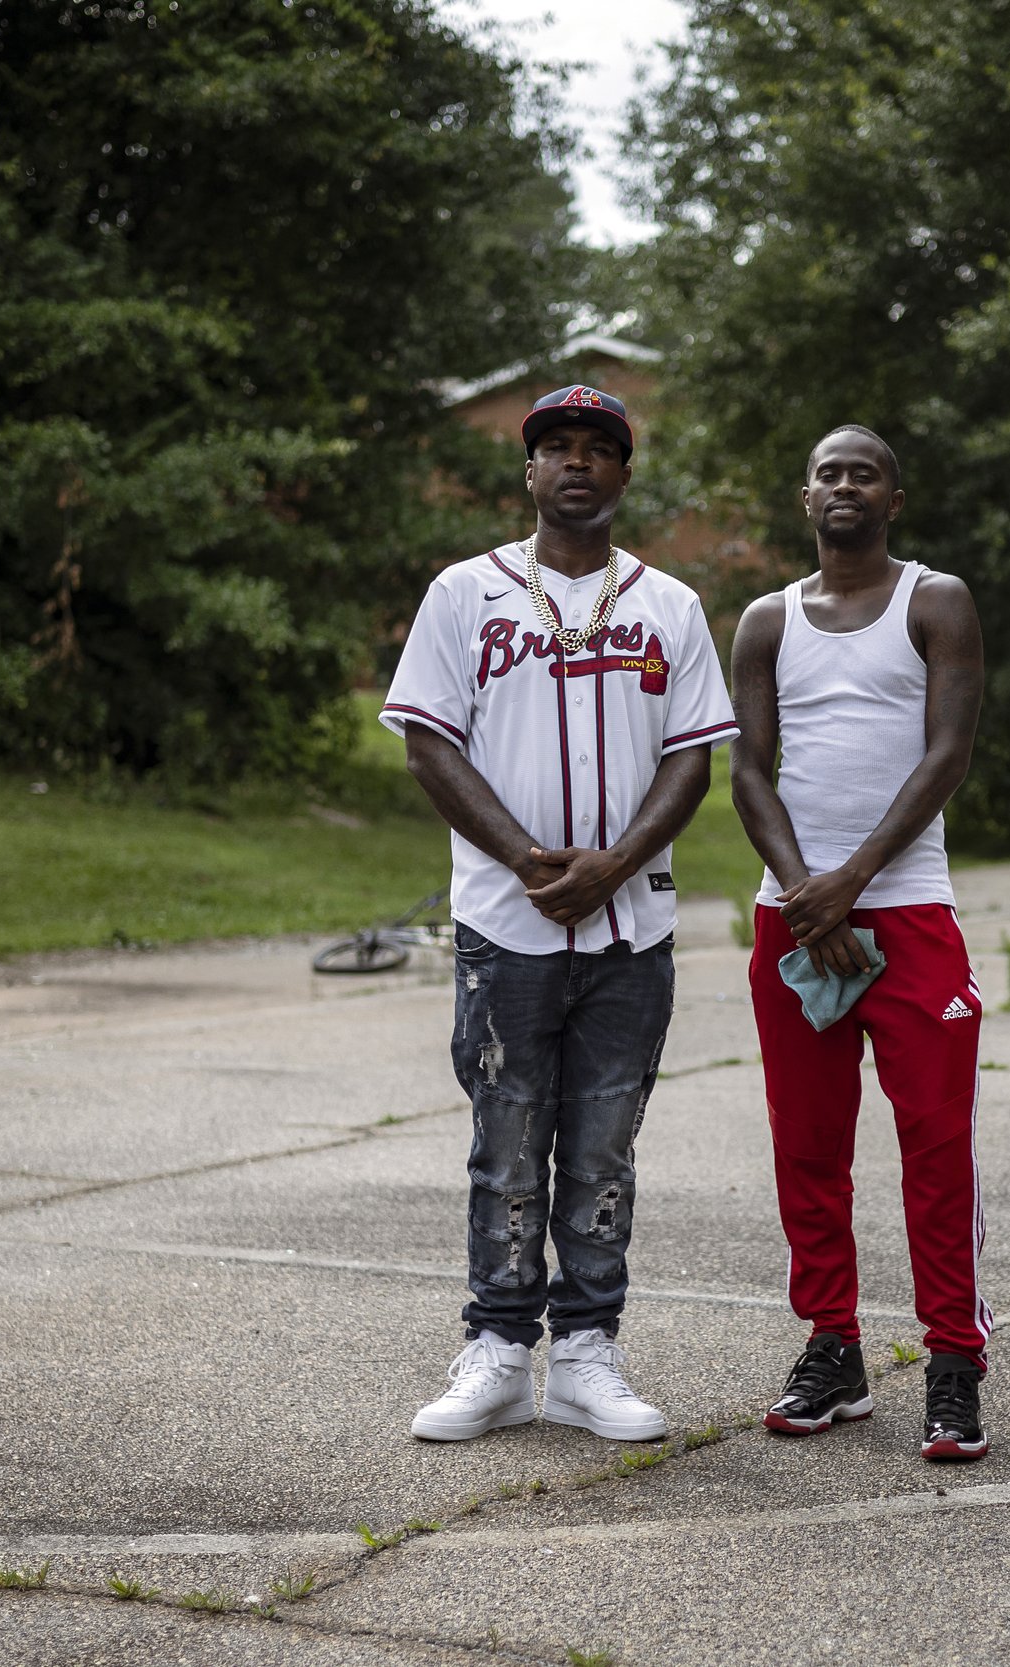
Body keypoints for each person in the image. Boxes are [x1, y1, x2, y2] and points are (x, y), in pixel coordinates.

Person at [382, 384, 739, 1444]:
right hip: (507, 921)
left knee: (601, 1146)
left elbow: (692, 757)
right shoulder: (465, 592)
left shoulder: (666, 604)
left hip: (631, 929)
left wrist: (615, 864)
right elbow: (428, 743)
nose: (576, 464)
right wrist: (527, 858)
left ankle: (586, 1353)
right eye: (556, 449)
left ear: (625, 476)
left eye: (599, 450)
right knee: (505, 1137)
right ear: (528, 473)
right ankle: (496, 1349)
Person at [729, 424, 991, 1462]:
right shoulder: (763, 620)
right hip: (790, 914)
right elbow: (747, 770)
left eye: (864, 472)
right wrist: (806, 893)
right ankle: (831, 1348)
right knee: (807, 1145)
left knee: (935, 1144)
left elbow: (947, 751)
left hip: (908, 907)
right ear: (807, 497)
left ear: (893, 497)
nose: (845, 484)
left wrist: (853, 880)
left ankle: (954, 1362)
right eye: (829, 471)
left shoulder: (937, 600)